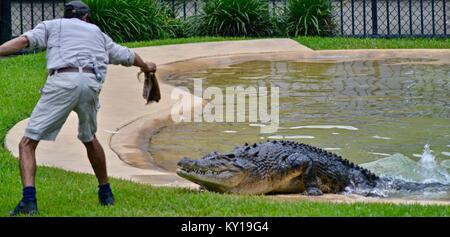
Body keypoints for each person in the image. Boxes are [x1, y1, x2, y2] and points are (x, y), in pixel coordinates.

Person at [0, 1, 156, 216]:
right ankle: (106, 194)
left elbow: (24, 41)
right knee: (89, 137)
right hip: (90, 84)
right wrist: (146, 67)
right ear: (86, 18)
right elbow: (126, 55)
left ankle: (29, 201)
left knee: (27, 143)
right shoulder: (97, 33)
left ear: (67, 16)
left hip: (62, 81)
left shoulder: (53, 25)